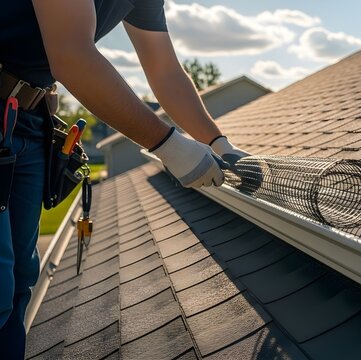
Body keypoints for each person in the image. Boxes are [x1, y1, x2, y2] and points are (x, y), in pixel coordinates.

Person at [0, 0, 249, 357]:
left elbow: (164, 70)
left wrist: (217, 142)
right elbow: (71, 54)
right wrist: (169, 145)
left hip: (26, 116)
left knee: (17, 285)